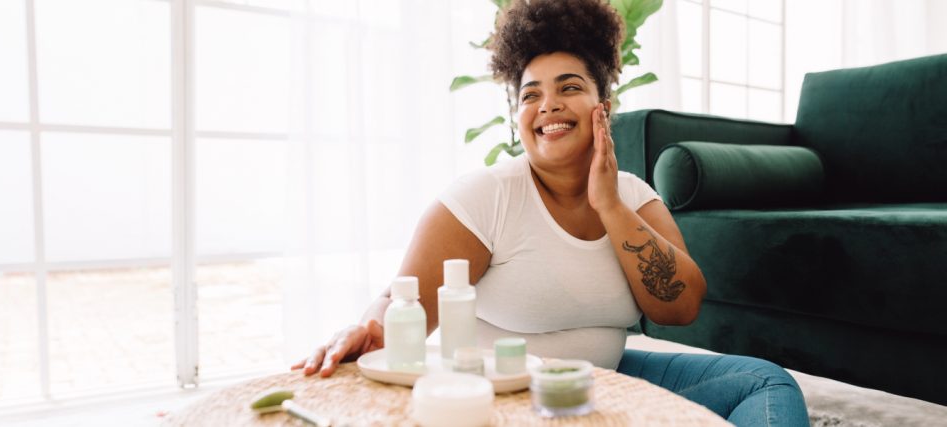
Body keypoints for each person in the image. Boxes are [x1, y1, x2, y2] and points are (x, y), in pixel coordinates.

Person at [292, 0, 808, 425]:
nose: (548, 105)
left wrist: (608, 204)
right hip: (504, 397)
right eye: (530, 95)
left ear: (603, 104)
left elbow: (680, 306)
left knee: (765, 384)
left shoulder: (634, 197)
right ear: (518, 117)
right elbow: (404, 302)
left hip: (606, 382)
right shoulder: (484, 197)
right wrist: (369, 329)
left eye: (570, 87)